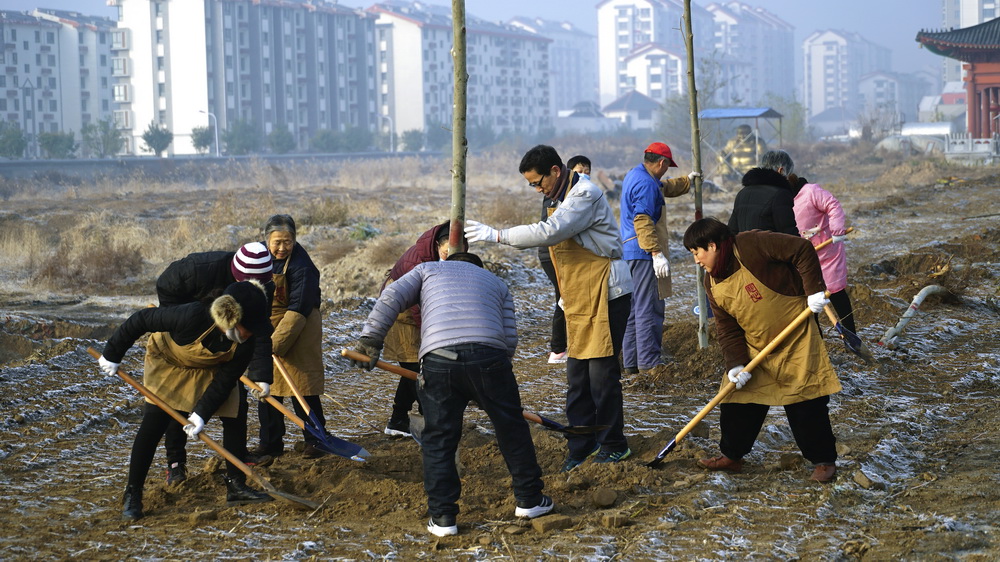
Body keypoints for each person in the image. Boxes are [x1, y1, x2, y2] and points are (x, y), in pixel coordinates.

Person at [349, 252, 551, 537]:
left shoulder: (428, 269)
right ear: (477, 269)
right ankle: (530, 501)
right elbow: (509, 338)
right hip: (489, 358)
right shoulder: (497, 283)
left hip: (439, 359)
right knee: (511, 427)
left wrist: (371, 339)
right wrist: (488, 384)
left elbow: (392, 294)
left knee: (439, 438)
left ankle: (443, 518)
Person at [465, 144, 633, 471]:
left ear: (555, 170)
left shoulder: (585, 194)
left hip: (606, 290)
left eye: (537, 182)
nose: (537, 189)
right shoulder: (556, 196)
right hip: (580, 293)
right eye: (531, 185)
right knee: (577, 377)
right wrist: (563, 290)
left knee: (601, 375)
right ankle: (581, 445)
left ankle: (614, 445)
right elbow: (558, 253)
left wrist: (496, 235)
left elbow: (550, 233)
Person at [98, 281, 276, 520]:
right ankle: (133, 493)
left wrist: (200, 414)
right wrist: (112, 353)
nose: (252, 333)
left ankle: (236, 486)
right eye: (249, 327)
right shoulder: (191, 315)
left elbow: (225, 381)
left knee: (235, 412)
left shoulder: (246, 344)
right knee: (154, 424)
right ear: (232, 317)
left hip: (211, 368)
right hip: (170, 363)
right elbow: (141, 319)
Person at [683, 218, 841, 483]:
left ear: (712, 246)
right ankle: (732, 457)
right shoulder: (711, 282)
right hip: (755, 345)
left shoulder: (751, 244)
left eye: (697, 253)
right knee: (737, 400)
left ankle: (823, 461)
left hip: (796, 336)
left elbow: (802, 249)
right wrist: (735, 365)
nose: (696, 260)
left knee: (805, 400)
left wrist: (813, 291)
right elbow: (727, 327)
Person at [154, 242, 275, 483]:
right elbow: (165, 285)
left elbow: (258, 330)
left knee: (234, 398)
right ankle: (176, 463)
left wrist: (261, 375)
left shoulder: (261, 288)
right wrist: (182, 324)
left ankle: (237, 456)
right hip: (187, 338)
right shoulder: (199, 270)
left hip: (228, 339)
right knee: (179, 399)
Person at [253, 214, 330, 459]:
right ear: (266, 240)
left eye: (287, 241)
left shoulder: (303, 267)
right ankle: (270, 444)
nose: (282, 247)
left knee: (302, 385)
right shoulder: (260, 258)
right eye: (277, 242)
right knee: (268, 387)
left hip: (301, 324)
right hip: (270, 323)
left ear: (294, 240)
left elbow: (298, 308)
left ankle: (316, 439)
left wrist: (276, 344)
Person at [380, 221, 466, 436]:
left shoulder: (447, 257)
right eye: (447, 253)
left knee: (413, 371)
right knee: (415, 369)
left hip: (422, 311)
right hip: (402, 311)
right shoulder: (418, 263)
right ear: (437, 245)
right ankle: (429, 420)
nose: (451, 258)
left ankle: (399, 420)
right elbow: (418, 307)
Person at [762, 150, 860, 335]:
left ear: (781, 171)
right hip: (805, 259)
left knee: (836, 293)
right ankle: (817, 340)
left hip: (828, 254)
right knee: (810, 300)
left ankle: (851, 334)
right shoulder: (779, 199)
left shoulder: (811, 192)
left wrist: (837, 230)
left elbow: (833, 205)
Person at [618, 142, 695, 375]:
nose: (666, 171)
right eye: (667, 167)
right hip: (643, 253)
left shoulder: (636, 175)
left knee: (633, 309)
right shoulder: (646, 184)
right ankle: (650, 363)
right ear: (661, 163)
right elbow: (642, 218)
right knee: (649, 307)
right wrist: (656, 253)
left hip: (629, 251)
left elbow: (664, 187)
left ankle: (631, 363)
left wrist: (688, 180)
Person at [728, 161, 798, 236]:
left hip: (744, 247)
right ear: (781, 170)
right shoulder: (780, 194)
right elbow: (789, 233)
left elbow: (732, 231)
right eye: (789, 174)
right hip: (771, 247)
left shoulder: (742, 193)